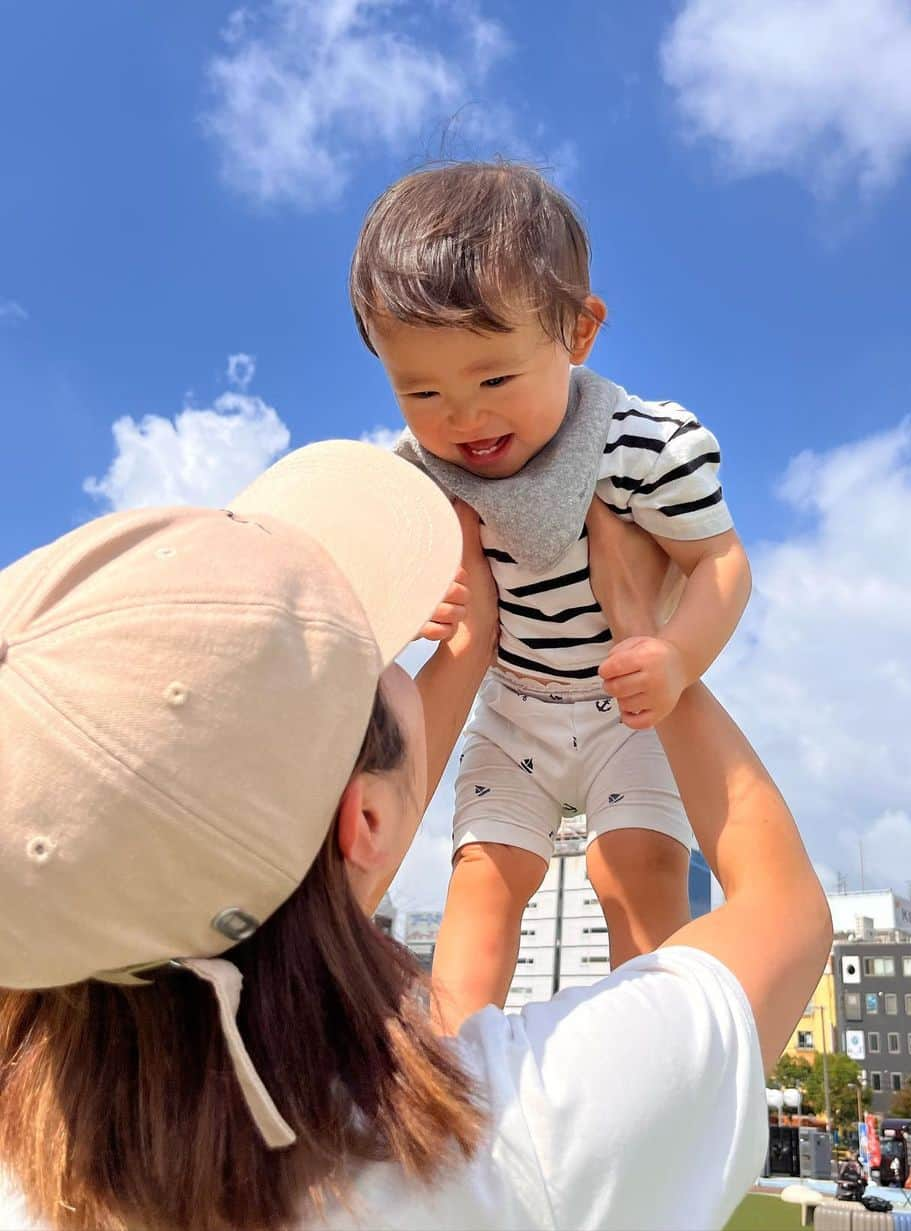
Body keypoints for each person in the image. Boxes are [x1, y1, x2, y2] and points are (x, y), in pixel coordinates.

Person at [0, 440, 830, 1230]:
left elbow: (327, 847)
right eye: (370, 650)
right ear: (362, 820)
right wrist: (649, 641)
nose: (405, 650)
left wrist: (466, 657)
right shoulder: (506, 1140)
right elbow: (786, 914)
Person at [349, 161, 753, 1030]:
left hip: (623, 704)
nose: (462, 416)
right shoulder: (417, 478)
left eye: (493, 380)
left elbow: (722, 563)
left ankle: (646, 1054)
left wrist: (677, 655)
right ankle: (452, 1058)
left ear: (578, 329)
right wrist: (418, 604)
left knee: (639, 869)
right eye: (420, 391)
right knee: (486, 877)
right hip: (514, 706)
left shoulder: (641, 446)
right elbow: (397, 591)